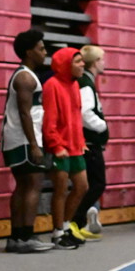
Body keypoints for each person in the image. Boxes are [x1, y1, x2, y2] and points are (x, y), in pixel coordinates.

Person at [1, 29, 53, 253]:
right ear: (29, 52)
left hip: (18, 138)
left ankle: (16, 237)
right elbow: (25, 113)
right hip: (24, 140)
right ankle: (26, 236)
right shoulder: (25, 77)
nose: (45, 52)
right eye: (41, 49)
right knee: (33, 184)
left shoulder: (26, 75)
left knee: (22, 186)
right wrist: (34, 144)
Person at [42, 47, 89, 249]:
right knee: (60, 189)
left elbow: (76, 117)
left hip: (75, 146)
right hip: (60, 147)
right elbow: (49, 120)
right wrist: (55, 144)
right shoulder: (52, 85)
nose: (82, 64)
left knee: (82, 186)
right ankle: (58, 233)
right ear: (66, 65)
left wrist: (81, 141)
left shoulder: (75, 84)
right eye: (78, 61)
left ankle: (67, 225)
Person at [70, 45, 108, 240]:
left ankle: (79, 222)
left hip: (90, 142)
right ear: (95, 62)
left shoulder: (88, 82)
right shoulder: (86, 83)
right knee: (97, 183)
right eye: (102, 59)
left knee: (92, 183)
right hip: (89, 142)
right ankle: (74, 221)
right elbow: (85, 112)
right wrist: (102, 126)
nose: (104, 63)